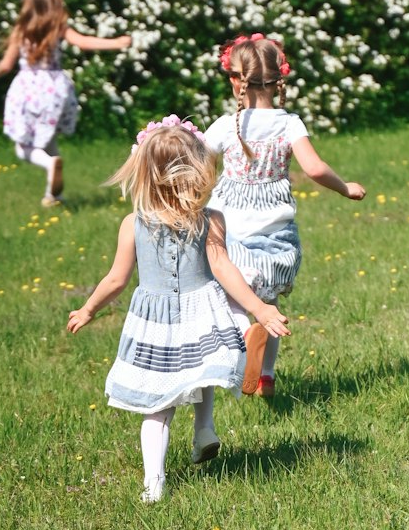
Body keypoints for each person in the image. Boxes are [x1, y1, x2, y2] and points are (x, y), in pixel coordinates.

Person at [67, 116, 290, 503]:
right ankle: (204, 428)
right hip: (202, 310)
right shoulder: (209, 220)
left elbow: (116, 280)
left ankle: (154, 483)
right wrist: (259, 309)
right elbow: (223, 269)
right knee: (202, 370)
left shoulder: (132, 224)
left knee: (159, 405)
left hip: (155, 323)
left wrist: (88, 309)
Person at [204, 33, 366, 398]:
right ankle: (267, 376)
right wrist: (345, 187)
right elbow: (315, 168)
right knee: (271, 304)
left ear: (235, 81)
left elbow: (194, 160)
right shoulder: (289, 123)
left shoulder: (225, 127)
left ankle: (247, 330)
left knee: (237, 300)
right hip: (278, 239)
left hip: (232, 236)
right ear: (280, 81)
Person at [0, 0, 131, 206]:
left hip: (27, 89)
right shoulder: (59, 27)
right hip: (56, 89)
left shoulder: (21, 30)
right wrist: (116, 43)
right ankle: (54, 196)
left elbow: (6, 65)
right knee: (50, 139)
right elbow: (83, 42)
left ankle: (48, 164)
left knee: (22, 147)